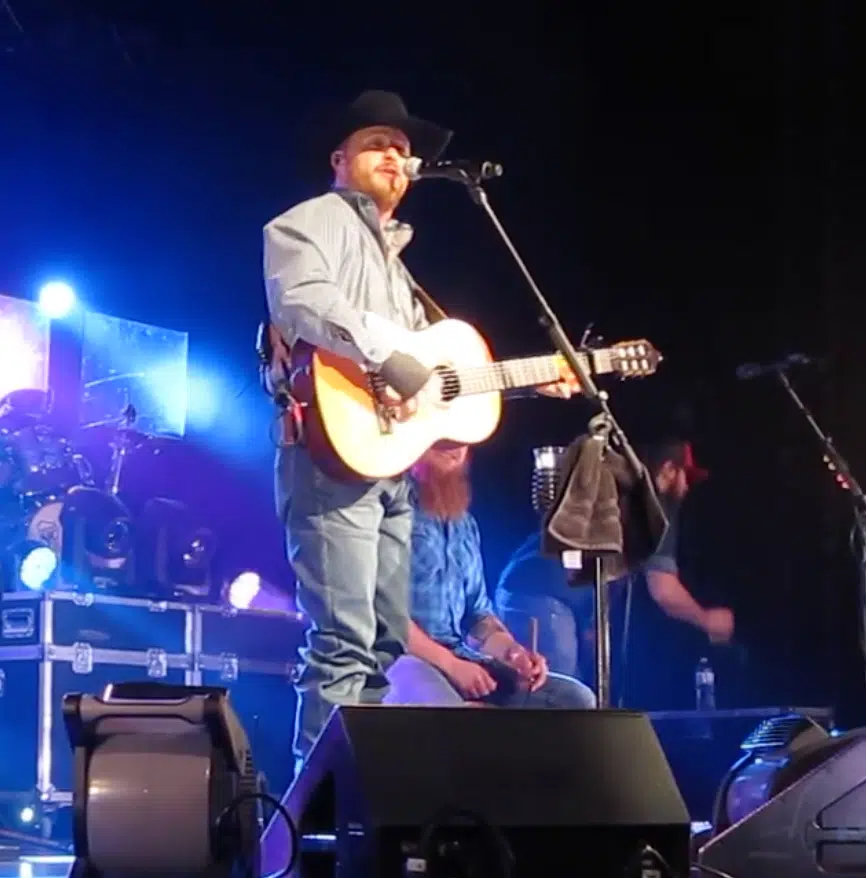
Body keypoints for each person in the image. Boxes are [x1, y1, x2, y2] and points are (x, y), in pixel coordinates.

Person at [263, 91, 575, 770]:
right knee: (343, 643)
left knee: (377, 647)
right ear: (339, 158)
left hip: (385, 469)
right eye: (378, 143)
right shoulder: (312, 221)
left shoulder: (396, 267)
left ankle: (363, 797)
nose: (396, 158)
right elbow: (303, 300)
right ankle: (314, 816)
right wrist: (396, 362)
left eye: (404, 151)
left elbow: (435, 381)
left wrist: (529, 379)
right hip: (330, 458)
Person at [494, 439, 734, 692]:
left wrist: (592, 625)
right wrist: (707, 620)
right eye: (687, 478)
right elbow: (663, 589)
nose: (686, 489)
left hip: (532, 591)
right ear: (668, 470)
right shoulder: (654, 508)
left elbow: (611, 570)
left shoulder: (626, 494)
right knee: (558, 696)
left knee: (572, 695)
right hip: (541, 594)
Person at [386, 445, 597, 708]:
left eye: (464, 440)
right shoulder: (391, 513)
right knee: (453, 715)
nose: (456, 448)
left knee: (575, 700)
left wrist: (513, 653)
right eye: (445, 438)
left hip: (459, 656)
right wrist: (452, 665)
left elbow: (477, 615)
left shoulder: (465, 524)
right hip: (404, 657)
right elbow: (386, 616)